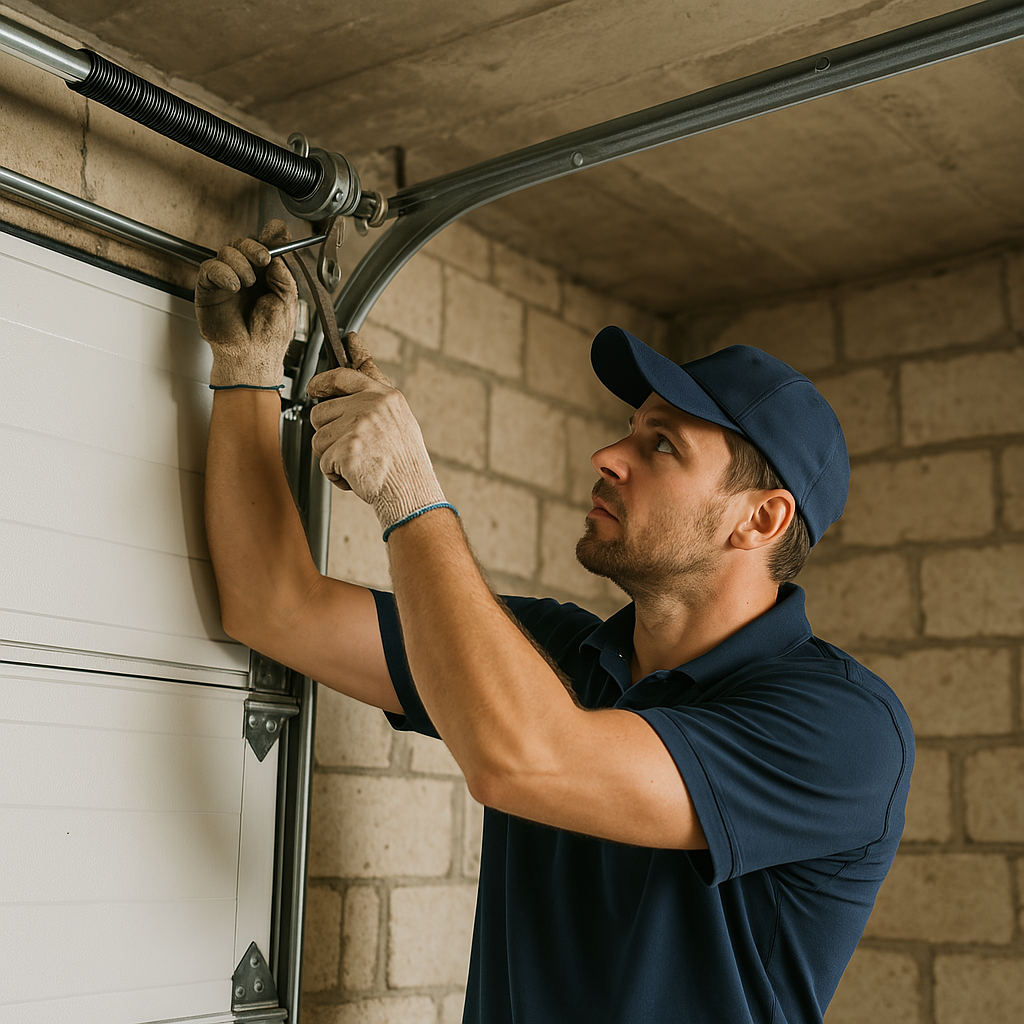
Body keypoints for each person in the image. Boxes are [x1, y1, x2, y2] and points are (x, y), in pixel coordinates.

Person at [197, 222, 913, 1024]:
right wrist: (247, 373)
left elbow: (525, 759)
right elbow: (275, 607)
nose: (611, 454)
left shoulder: (844, 729)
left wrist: (410, 491)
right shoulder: (557, 655)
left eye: (663, 445)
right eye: (631, 429)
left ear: (761, 519)